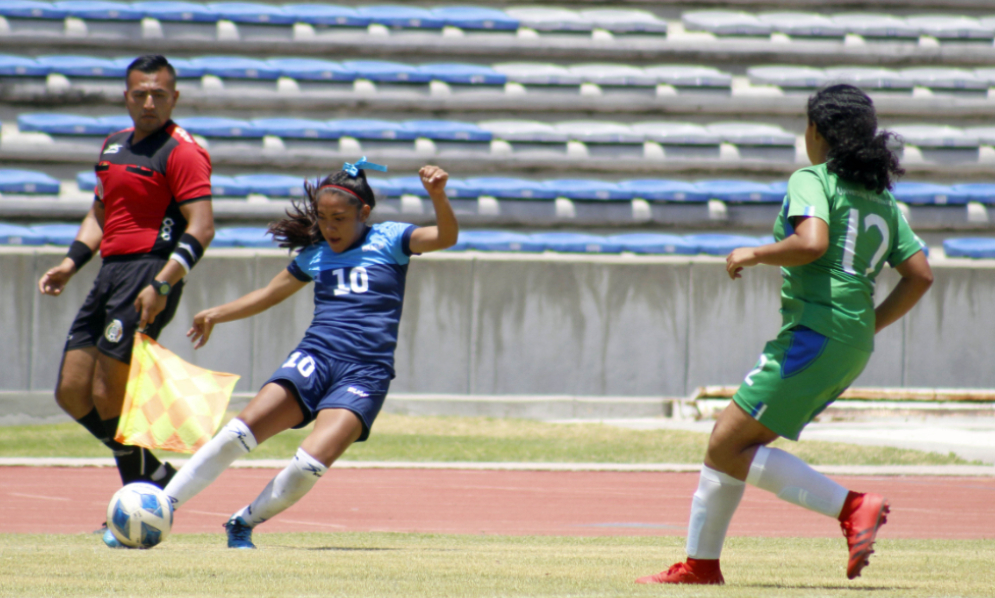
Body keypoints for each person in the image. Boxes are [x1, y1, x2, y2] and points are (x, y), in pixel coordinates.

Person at [637, 84, 934, 585]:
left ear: (815, 132)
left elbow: (811, 242)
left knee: (725, 446)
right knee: (730, 445)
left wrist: (754, 252)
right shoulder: (879, 197)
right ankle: (701, 565)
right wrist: (867, 324)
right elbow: (921, 275)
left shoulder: (812, 178)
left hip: (815, 333)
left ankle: (853, 507)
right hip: (847, 339)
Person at [156, 160, 457, 549]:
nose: (329, 227)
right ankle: (160, 507)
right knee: (237, 434)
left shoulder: (391, 239)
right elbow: (268, 294)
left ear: (364, 213)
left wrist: (437, 195)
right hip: (314, 358)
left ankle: (242, 522)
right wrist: (216, 313)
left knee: (309, 464)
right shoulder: (315, 255)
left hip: (365, 374)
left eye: (339, 218)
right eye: (322, 217)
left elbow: (446, 237)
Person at [38, 55, 214, 504]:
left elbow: (202, 227)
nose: (149, 102)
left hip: (150, 272)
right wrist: (70, 263)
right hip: (109, 273)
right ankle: (155, 473)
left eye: (159, 94)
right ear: (126, 97)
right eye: (141, 94)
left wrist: (164, 283)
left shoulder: (183, 150)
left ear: (174, 97)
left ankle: (140, 504)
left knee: (107, 390)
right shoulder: (113, 145)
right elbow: (101, 213)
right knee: (72, 391)